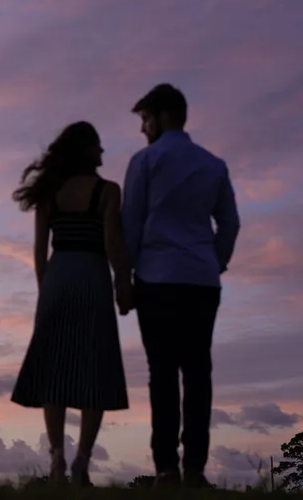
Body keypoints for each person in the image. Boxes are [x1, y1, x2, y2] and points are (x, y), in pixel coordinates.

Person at [122, 84, 241, 488]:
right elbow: (230, 223)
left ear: (161, 117)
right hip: (201, 280)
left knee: (162, 373)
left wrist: (127, 276)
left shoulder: (145, 161)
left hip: (156, 279)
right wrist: (215, 262)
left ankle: (166, 469)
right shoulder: (212, 164)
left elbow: (130, 225)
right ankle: (194, 469)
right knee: (198, 371)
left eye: (145, 120)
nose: (142, 128)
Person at [11, 121, 131, 487]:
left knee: (55, 370)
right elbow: (112, 244)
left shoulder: (50, 193)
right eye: (98, 146)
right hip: (92, 275)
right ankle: (81, 462)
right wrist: (122, 285)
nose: (103, 153)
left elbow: (38, 251)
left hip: (58, 276)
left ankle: (56, 461)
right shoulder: (108, 191)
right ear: (85, 150)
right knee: (95, 366)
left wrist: (44, 290)